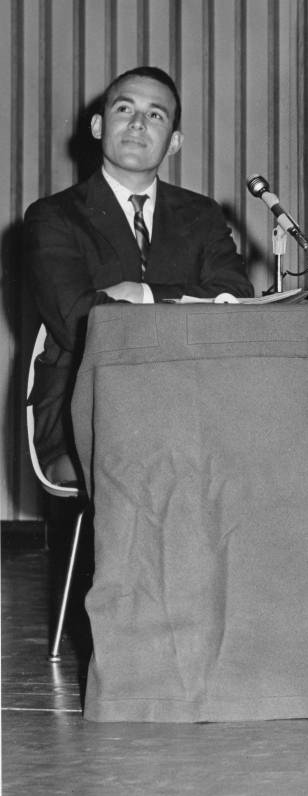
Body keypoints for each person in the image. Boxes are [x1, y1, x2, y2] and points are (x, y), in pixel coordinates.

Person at [24, 66, 253, 483]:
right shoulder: (53, 217)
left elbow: (233, 297)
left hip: (189, 400)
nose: (137, 123)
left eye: (155, 115)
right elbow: (78, 317)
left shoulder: (200, 216)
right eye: (125, 108)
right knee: (171, 460)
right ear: (97, 126)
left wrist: (142, 294)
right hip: (87, 407)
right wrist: (185, 307)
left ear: (174, 142)